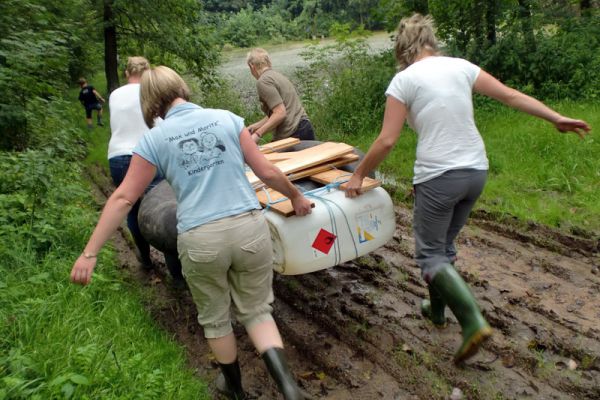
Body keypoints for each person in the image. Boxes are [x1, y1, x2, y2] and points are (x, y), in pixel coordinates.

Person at [344, 14, 591, 365]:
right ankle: (436, 310)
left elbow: (387, 140)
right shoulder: (460, 66)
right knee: (443, 246)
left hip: (439, 174)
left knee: (429, 254)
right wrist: (555, 117)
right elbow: (510, 95)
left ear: (403, 49)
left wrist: (358, 174)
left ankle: (472, 321)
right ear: (431, 42)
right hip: (476, 171)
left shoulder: (403, 80)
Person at [70, 65, 313, 400]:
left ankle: (234, 388)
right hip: (248, 228)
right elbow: (267, 171)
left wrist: (89, 253)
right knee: (257, 311)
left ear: (151, 103)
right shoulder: (227, 118)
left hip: (201, 240)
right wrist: (296, 197)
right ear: (181, 88)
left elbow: (125, 197)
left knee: (216, 320)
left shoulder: (153, 140)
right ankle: (289, 388)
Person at [107, 56, 165, 272]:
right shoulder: (152, 93)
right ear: (148, 73)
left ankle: (145, 259)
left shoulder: (114, 95)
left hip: (118, 155)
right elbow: (162, 125)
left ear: (126, 73)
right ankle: (176, 272)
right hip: (150, 154)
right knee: (163, 208)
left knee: (131, 208)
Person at [246, 48, 316, 143]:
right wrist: (256, 126)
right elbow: (277, 112)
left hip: (294, 133)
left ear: (252, 66)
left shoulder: (263, 81)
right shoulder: (278, 76)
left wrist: (258, 134)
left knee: (262, 157)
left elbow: (280, 113)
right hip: (305, 127)